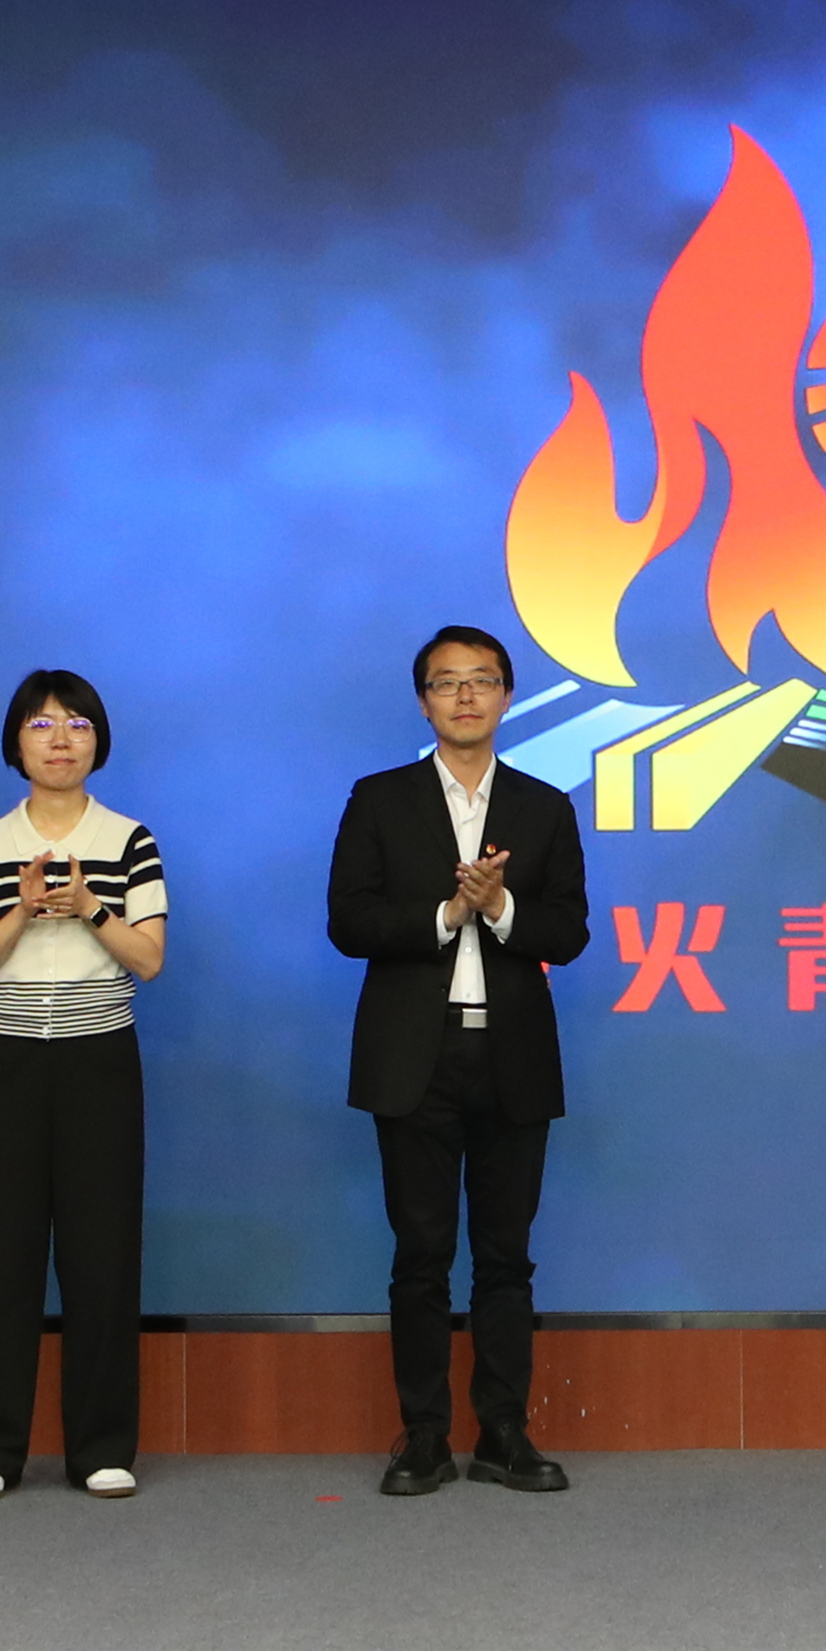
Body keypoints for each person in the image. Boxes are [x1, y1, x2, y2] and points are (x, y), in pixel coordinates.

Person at [327, 625, 590, 1496]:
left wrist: (502, 904)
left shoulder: (544, 806)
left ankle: (504, 1432)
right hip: (415, 1054)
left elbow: (569, 931)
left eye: (482, 680)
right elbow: (348, 920)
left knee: (506, 1257)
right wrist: (447, 912)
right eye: (447, 682)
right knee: (421, 1255)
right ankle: (424, 1434)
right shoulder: (379, 798)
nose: (465, 695)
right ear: (423, 701)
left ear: (507, 696)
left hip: (512, 1054)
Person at [0, 669, 167, 1502]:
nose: (61, 738)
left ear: (98, 740)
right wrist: (23, 908)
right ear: (16, 742)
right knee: (2, 1252)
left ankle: (102, 1447)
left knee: (101, 1253)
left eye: (77, 723)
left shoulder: (131, 840)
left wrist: (90, 907)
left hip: (99, 1059)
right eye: (41, 724)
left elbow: (150, 958)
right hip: (7, 1062)